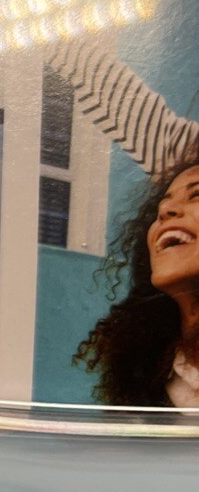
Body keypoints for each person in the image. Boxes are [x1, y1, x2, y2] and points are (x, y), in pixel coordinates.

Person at [48, 38, 199, 406]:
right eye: (163, 202)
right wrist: (49, 35)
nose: (166, 211)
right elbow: (110, 88)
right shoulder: (155, 380)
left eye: (196, 195)